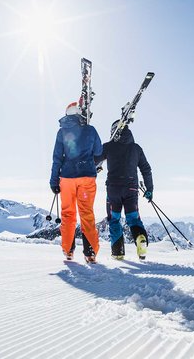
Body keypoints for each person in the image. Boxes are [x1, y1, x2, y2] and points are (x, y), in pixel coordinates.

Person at [50, 102, 103, 263]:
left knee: (67, 214)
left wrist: (54, 180)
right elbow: (99, 151)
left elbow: (57, 158)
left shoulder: (62, 132)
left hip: (66, 178)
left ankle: (68, 250)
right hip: (87, 176)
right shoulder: (90, 130)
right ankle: (90, 253)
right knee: (86, 213)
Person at [95, 120, 153, 260]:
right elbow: (146, 169)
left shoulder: (108, 147)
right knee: (133, 219)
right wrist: (149, 189)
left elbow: (94, 161)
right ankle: (140, 239)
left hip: (113, 189)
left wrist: (97, 166)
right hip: (131, 188)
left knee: (114, 219)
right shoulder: (136, 148)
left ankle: (118, 252)